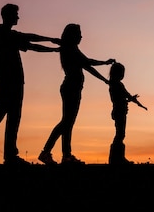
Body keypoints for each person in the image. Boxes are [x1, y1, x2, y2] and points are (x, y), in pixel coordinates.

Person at [0, 3, 60, 165]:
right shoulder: (2, 33)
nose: (18, 17)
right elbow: (29, 38)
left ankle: (2, 154)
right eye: (15, 14)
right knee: (3, 115)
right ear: (8, 16)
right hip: (9, 82)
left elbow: (31, 45)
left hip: (13, 81)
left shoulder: (7, 34)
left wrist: (52, 48)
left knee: (10, 116)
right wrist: (51, 41)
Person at [38, 23, 115, 165]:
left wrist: (105, 79)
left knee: (67, 123)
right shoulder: (70, 49)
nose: (81, 36)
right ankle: (47, 152)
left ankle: (65, 156)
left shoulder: (72, 49)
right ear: (72, 35)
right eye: (78, 33)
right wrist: (104, 63)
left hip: (73, 88)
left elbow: (87, 66)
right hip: (71, 88)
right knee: (66, 122)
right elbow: (88, 62)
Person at [108, 62, 146, 165]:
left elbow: (125, 96)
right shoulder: (117, 85)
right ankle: (117, 159)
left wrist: (134, 101)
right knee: (120, 134)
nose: (123, 75)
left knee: (120, 134)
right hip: (119, 110)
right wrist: (137, 102)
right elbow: (126, 95)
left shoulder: (113, 84)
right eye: (122, 72)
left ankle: (117, 158)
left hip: (119, 110)